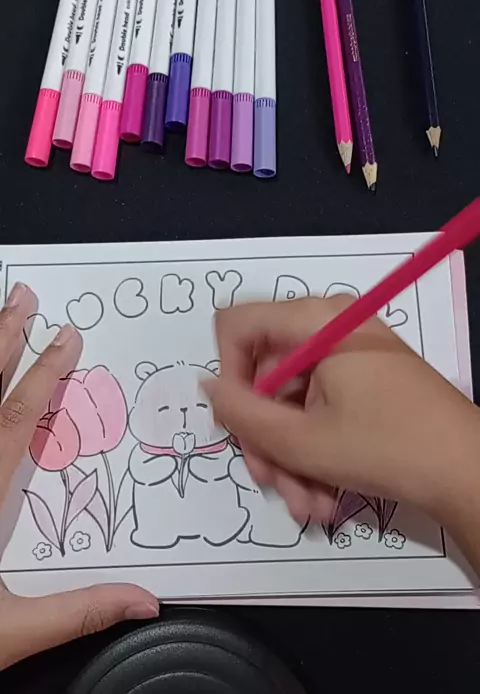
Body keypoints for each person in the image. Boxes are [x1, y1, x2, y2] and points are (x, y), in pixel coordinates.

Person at [0, 287, 478, 670]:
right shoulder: (148, 457)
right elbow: (144, 474)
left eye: (188, 408)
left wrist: (456, 463)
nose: (182, 417)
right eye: (165, 410)